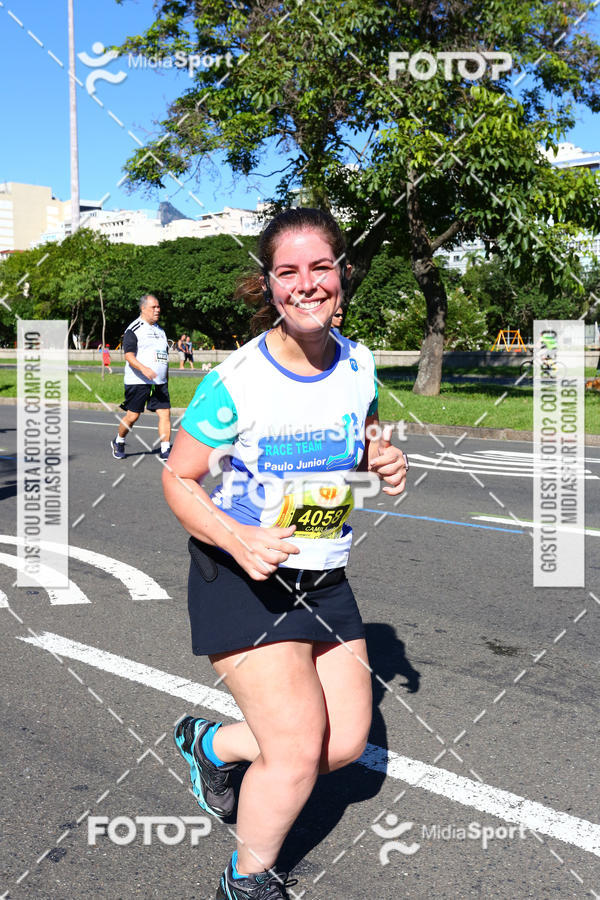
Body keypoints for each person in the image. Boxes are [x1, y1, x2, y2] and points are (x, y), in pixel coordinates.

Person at [162, 208, 408, 899]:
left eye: (320, 268)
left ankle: (210, 745)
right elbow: (178, 477)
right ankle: (246, 882)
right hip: (243, 578)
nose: (307, 284)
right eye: (288, 272)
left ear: (341, 274)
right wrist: (239, 537)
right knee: (297, 753)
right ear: (268, 284)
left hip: (324, 579)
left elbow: (361, 435)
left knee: (344, 747)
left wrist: (381, 456)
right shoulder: (240, 380)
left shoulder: (357, 362)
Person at [111, 294, 172, 461]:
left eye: (158, 307)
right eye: (154, 307)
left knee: (165, 413)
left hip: (159, 382)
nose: (158, 310)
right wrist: (144, 369)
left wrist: (165, 376)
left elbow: (164, 356)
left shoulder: (160, 331)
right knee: (133, 416)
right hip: (138, 381)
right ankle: (119, 441)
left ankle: (165, 449)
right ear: (143, 308)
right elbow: (129, 356)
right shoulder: (134, 329)